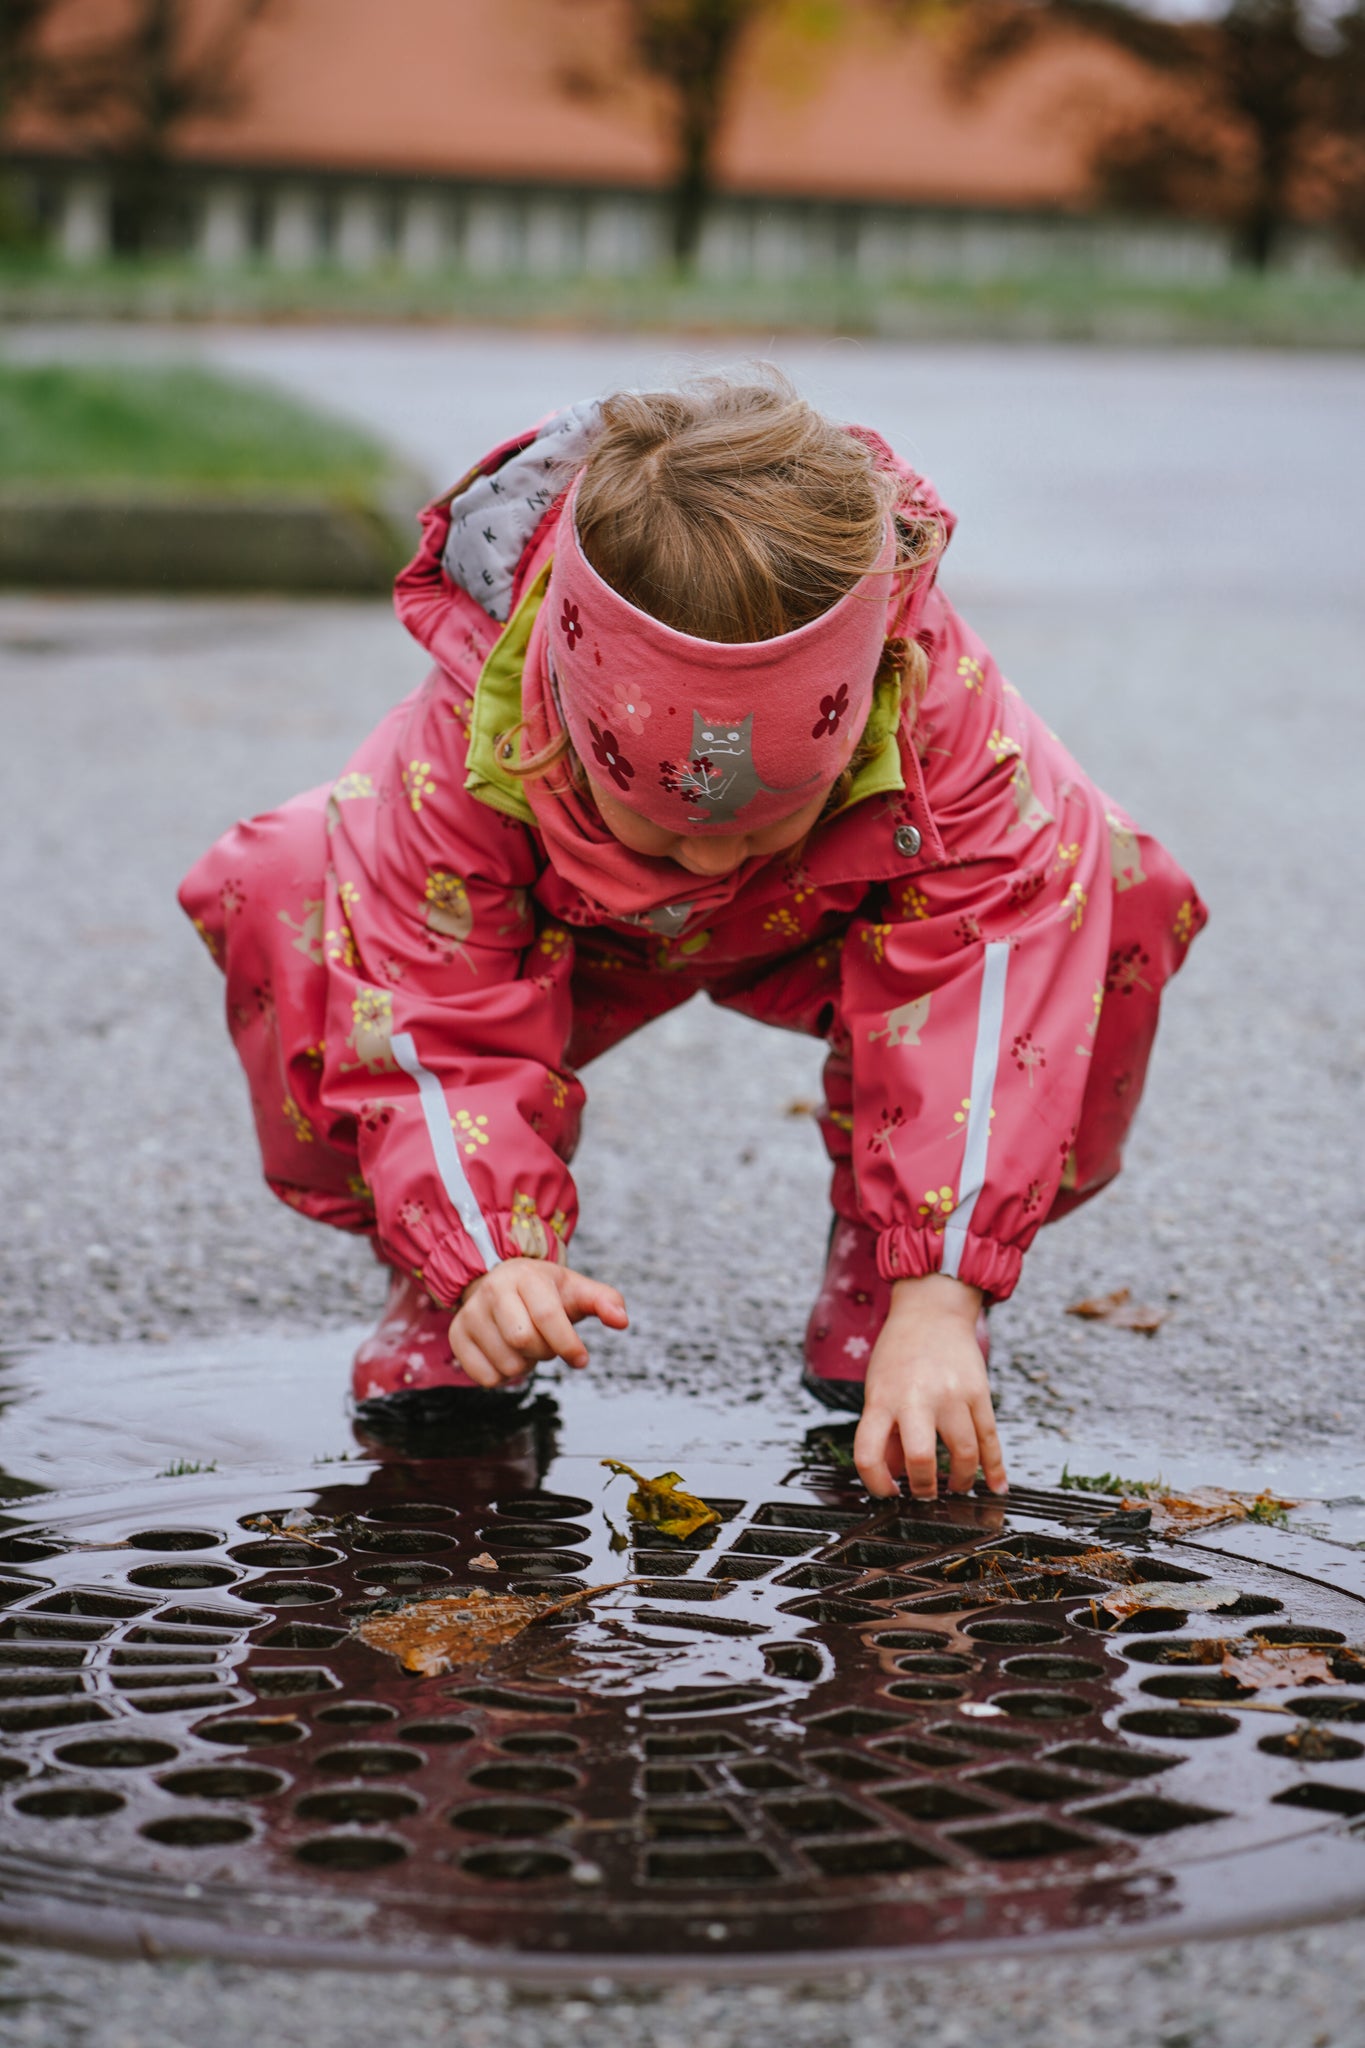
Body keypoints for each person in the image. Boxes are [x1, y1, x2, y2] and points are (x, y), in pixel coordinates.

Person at [179, 369, 1205, 1503]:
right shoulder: (474, 740)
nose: (714, 859)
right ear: (563, 714)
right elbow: (426, 1014)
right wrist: (486, 1248)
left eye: (766, 815)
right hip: (561, 940)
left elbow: (997, 969)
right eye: (666, 835)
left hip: (834, 914)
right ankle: (463, 1290)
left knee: (1104, 874)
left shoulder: (934, 708)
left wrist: (942, 1289)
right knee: (292, 881)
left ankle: (888, 1267)